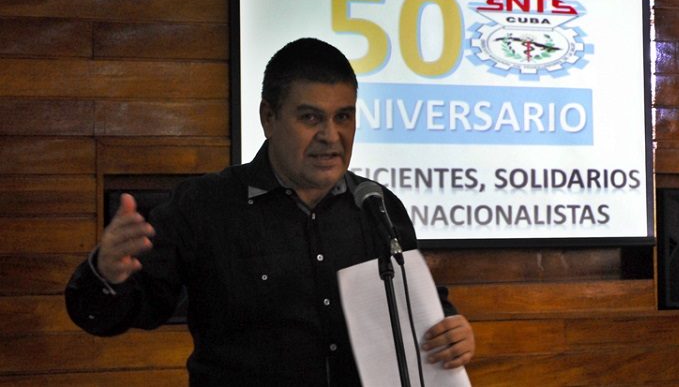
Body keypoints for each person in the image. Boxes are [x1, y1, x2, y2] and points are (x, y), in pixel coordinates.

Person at [65, 37, 475, 386]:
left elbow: (419, 307)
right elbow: (118, 313)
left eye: (343, 117)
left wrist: (451, 330)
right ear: (268, 117)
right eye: (310, 117)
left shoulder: (376, 206)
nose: (331, 136)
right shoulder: (205, 205)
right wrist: (107, 275)